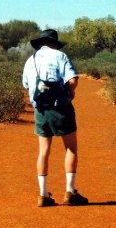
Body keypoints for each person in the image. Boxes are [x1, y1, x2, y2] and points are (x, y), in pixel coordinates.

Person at [22, 29, 88, 207]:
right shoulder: (60, 56)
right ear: (54, 43)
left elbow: (26, 84)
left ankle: (43, 195)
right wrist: (70, 93)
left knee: (43, 151)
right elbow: (73, 79)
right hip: (61, 108)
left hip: (41, 110)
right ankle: (70, 191)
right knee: (71, 148)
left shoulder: (31, 60)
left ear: (41, 42)